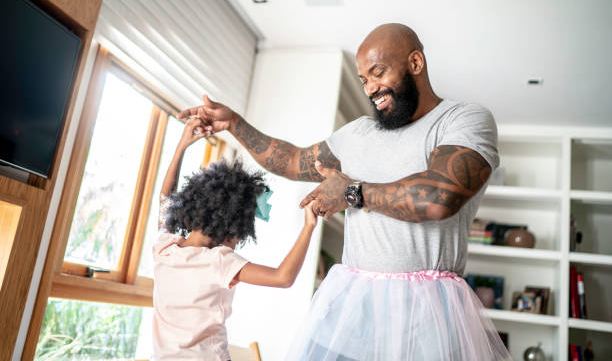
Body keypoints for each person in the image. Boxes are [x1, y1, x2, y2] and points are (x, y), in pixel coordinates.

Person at [178, 23, 511, 360]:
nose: (370, 89)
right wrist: (235, 123)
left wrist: (353, 192)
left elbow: (440, 197)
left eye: (378, 73)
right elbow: (293, 161)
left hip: (427, 316)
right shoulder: (358, 133)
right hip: (351, 307)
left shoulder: (463, 119)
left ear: (415, 63)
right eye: (364, 79)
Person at [152, 116, 319, 361]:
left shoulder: (165, 248)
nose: (238, 242)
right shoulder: (218, 260)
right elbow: (282, 278)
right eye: (239, 235)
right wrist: (309, 226)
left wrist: (181, 146)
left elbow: (166, 198)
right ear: (230, 226)